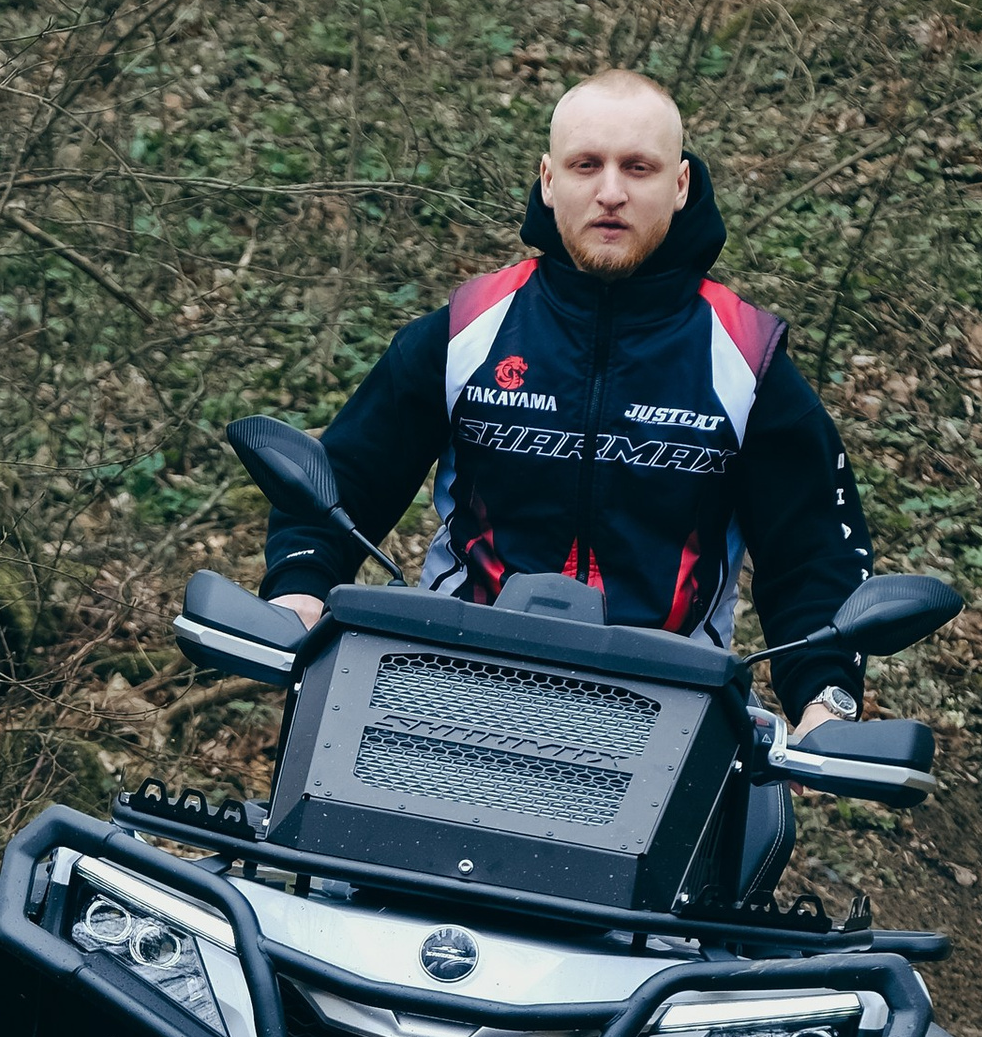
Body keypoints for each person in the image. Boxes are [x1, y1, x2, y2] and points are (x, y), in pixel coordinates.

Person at [262, 68, 871, 739]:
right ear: (550, 181)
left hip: (667, 716)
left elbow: (812, 553)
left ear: (680, 184)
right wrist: (300, 588)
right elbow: (340, 485)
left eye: (638, 167)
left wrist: (826, 697)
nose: (610, 192)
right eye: (588, 165)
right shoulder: (468, 329)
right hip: (447, 691)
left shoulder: (746, 358)